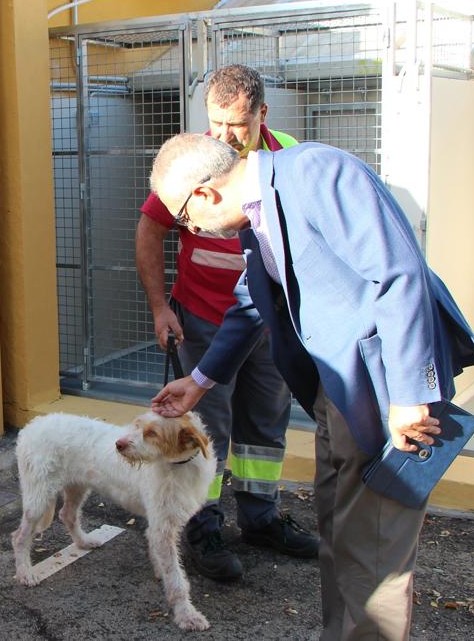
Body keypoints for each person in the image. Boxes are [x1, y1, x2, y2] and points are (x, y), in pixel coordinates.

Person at [148, 134, 474, 640]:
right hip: (338, 392)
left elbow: (400, 274)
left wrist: (410, 395)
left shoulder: (319, 173)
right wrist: (199, 381)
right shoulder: (258, 212)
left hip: (383, 391)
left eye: (183, 218)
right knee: (341, 533)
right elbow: (250, 301)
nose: (189, 230)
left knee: (374, 548)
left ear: (204, 195)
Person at [135, 64, 317, 582]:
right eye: (215, 122)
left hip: (267, 320)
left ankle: (260, 518)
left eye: (236, 124)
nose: (223, 135)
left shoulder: (289, 155)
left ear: (263, 113)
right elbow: (150, 229)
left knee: (265, 421)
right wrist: (159, 307)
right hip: (205, 319)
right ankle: (200, 525)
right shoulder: (196, 161)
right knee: (204, 426)